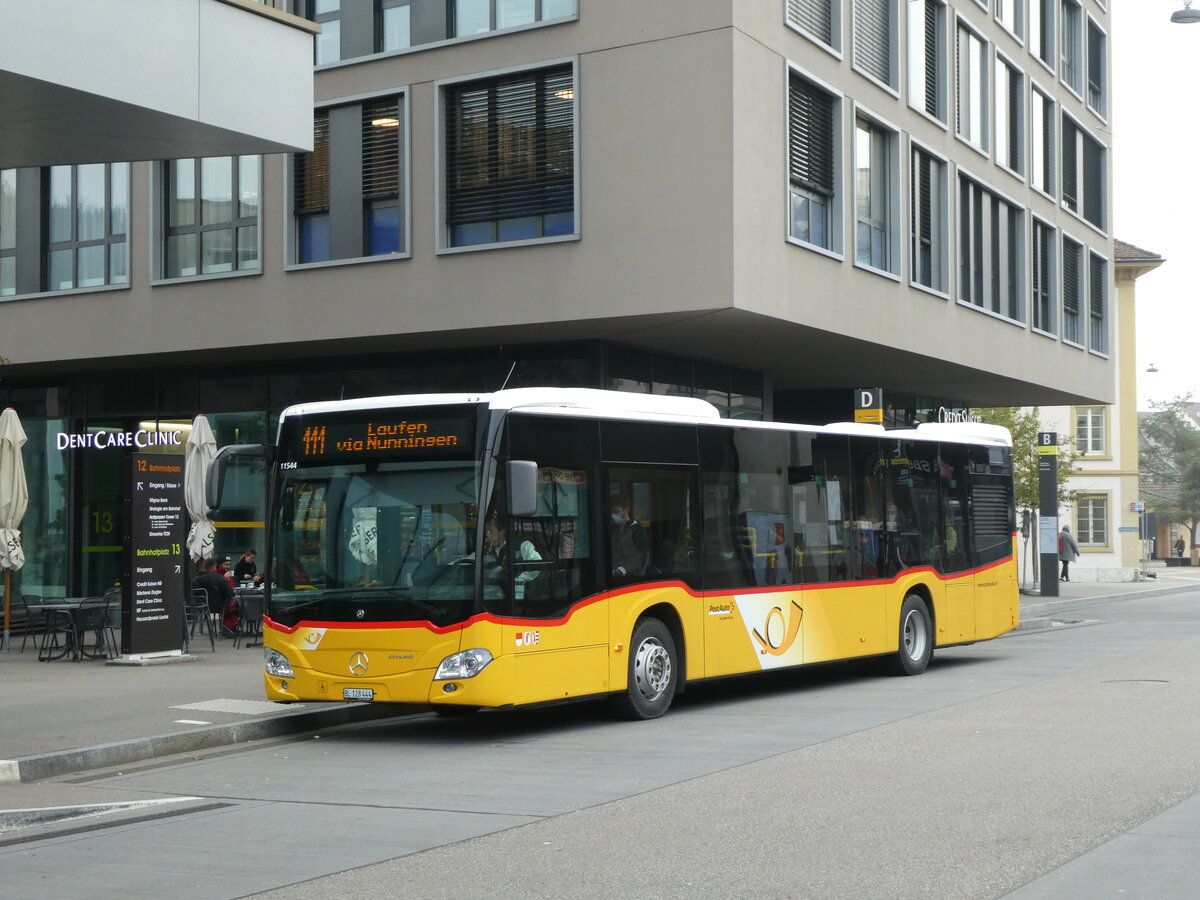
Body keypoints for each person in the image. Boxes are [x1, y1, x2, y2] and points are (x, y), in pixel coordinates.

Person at [483, 517, 541, 592]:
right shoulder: (486, 551)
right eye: (486, 530)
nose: (487, 534)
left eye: (489, 530)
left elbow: (537, 565)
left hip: (515, 596)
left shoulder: (522, 546)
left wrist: (518, 581)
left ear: (502, 531)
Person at [193, 557, 238, 636]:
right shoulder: (219, 578)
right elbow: (231, 593)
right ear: (214, 567)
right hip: (218, 606)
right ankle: (229, 626)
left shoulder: (195, 579)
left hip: (201, 606)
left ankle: (227, 626)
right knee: (235, 603)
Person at [609, 496, 648, 580]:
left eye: (616, 511)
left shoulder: (637, 531)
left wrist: (621, 570)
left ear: (626, 510)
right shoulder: (614, 530)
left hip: (630, 578)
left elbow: (639, 559)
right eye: (611, 512)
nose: (613, 515)